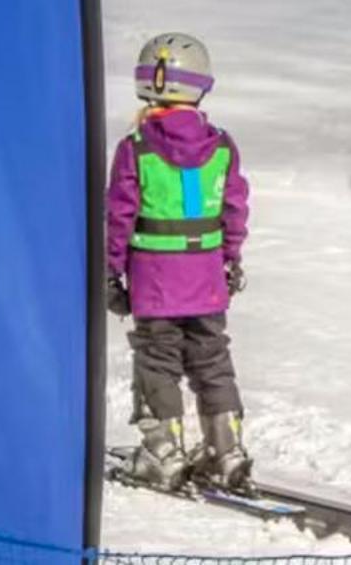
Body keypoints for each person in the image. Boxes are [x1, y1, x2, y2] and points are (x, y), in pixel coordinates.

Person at [106, 32, 253, 490]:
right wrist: (230, 259)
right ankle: (226, 450)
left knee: (157, 361)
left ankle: (163, 452)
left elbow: (119, 215)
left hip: (155, 282)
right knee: (212, 359)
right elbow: (234, 208)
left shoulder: (137, 147)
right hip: (206, 278)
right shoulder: (221, 145)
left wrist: (110, 271)